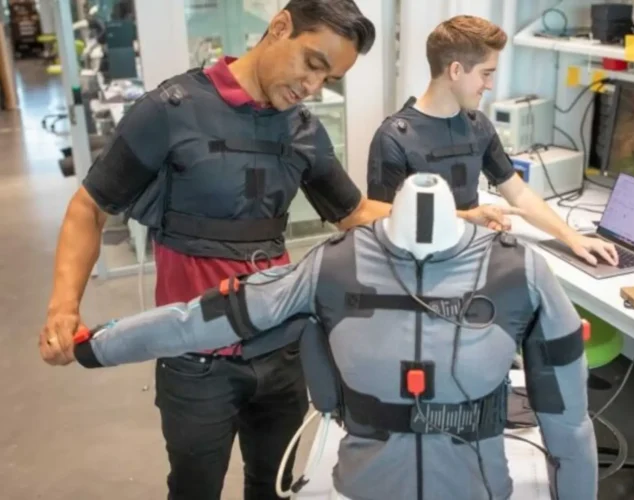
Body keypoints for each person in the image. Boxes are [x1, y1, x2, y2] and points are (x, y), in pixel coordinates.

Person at [38, 2, 511, 499]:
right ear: (280, 27)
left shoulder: (303, 129)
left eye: (329, 79)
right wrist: (63, 306)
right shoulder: (171, 109)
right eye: (312, 63)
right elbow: (88, 207)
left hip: (281, 351)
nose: (313, 86)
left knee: (275, 486)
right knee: (195, 488)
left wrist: (458, 218)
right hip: (195, 360)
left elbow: (352, 212)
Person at [65, 173, 598, 500]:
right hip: (364, 488)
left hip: (478, 490)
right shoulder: (334, 266)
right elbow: (200, 319)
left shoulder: (520, 273)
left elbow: (569, 427)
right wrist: (97, 346)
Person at [367, 15, 619, 267]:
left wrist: (572, 237)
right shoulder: (393, 138)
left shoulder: (478, 126)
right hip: (418, 271)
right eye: (485, 74)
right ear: (455, 70)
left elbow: (518, 192)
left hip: (472, 256)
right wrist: (466, 218)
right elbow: (381, 223)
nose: (489, 85)